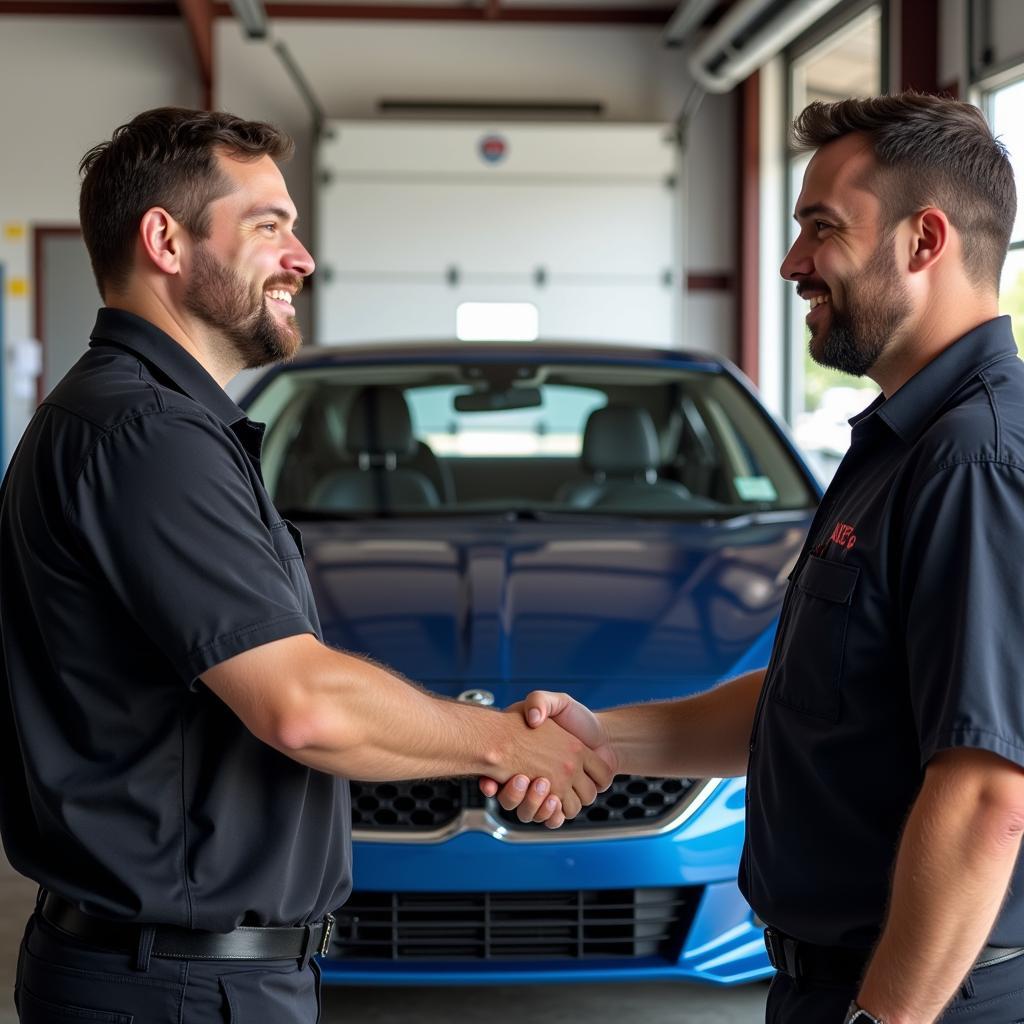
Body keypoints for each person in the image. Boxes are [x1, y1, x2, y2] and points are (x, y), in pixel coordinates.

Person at [0, 107, 611, 1024]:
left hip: (187, 971)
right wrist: (506, 741)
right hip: (175, 987)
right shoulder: (147, 435)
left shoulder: (153, 423)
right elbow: (305, 704)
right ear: (165, 239)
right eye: (269, 226)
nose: (303, 258)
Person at [489, 92, 1024, 1024]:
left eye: (821, 228)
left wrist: (884, 1019)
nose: (791, 264)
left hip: (926, 996)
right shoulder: (900, 444)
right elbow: (816, 699)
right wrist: (600, 736)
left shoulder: (972, 458)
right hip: (841, 984)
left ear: (924, 240)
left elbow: (987, 791)